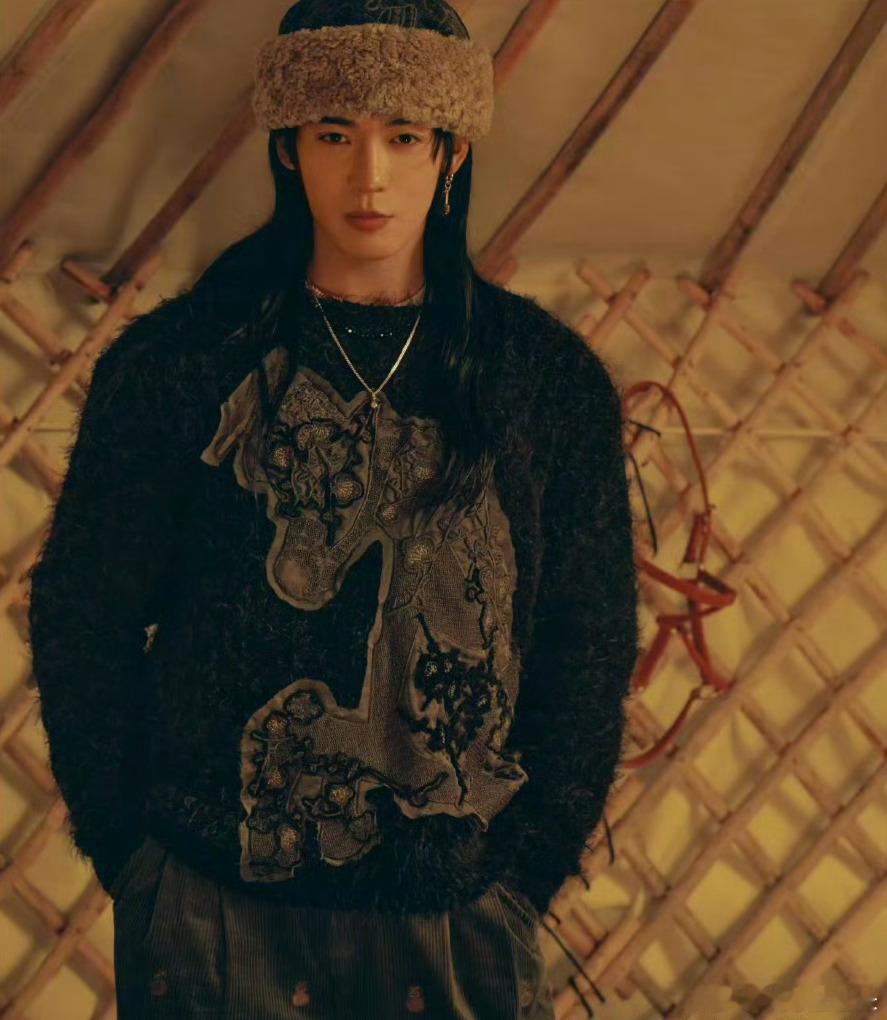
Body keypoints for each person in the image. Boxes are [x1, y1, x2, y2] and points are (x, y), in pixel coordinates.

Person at [26, 1, 641, 1016]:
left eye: (403, 138)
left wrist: (523, 872)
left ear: (450, 153)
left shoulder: (540, 382)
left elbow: (590, 642)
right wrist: (133, 852)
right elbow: (82, 613)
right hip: (211, 899)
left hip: (455, 910)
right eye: (332, 136)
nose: (369, 178)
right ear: (285, 147)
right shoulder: (179, 364)